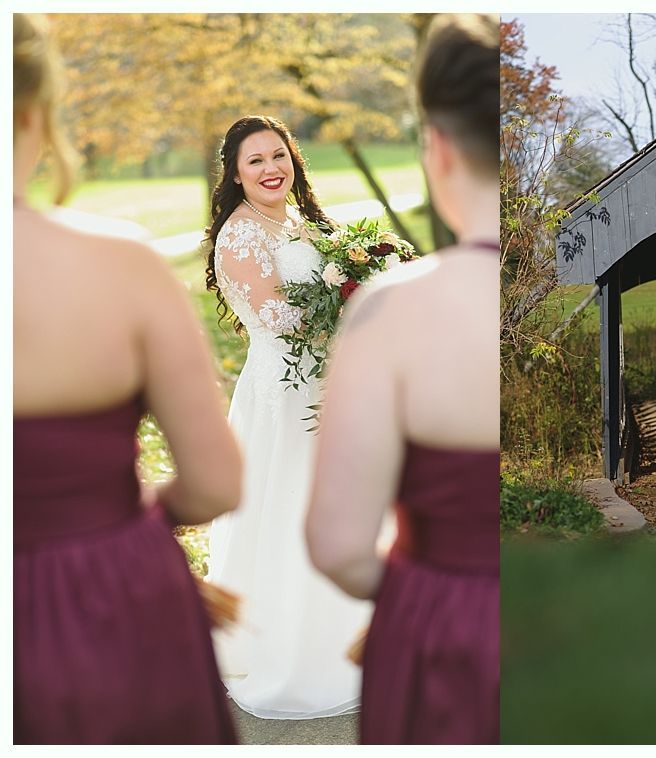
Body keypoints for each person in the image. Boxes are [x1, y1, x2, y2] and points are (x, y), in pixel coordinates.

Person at [13, 14, 241, 743]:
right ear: (35, 111)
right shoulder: (119, 266)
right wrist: (113, 522)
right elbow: (213, 484)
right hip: (105, 600)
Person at [305, 14, 500, 745]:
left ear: (439, 148)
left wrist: (426, 597)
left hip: (444, 639)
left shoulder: (393, 310)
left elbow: (339, 545)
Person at [202, 115, 371, 719]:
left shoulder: (297, 220)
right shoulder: (240, 236)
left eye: (279, 155)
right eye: (256, 161)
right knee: (291, 508)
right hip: (285, 392)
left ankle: (346, 629)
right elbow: (279, 318)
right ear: (236, 174)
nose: (272, 169)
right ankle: (295, 648)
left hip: (328, 383)